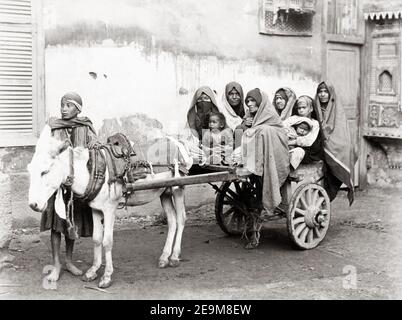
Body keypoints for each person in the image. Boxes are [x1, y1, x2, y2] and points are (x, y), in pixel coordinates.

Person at [40, 92, 100, 282]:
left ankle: (69, 261)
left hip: (78, 186)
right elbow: (44, 154)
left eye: (68, 105)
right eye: (62, 105)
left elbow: (95, 153)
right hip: (58, 186)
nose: (63, 109)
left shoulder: (86, 127)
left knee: (72, 224)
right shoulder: (53, 127)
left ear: (78, 108)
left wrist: (90, 148)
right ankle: (56, 264)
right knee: (57, 227)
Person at [240, 88, 290, 249]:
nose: (249, 104)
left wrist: (253, 129)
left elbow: (275, 133)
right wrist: (243, 125)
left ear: (261, 103)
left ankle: (264, 206)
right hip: (253, 159)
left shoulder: (270, 118)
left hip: (273, 157)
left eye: (253, 101)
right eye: (247, 101)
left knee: (262, 131)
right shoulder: (249, 117)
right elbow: (241, 133)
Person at [315, 81, 356, 205]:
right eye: (320, 92)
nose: (322, 95)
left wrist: (329, 141)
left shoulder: (337, 110)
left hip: (333, 145)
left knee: (344, 150)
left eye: (325, 92)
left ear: (330, 94)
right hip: (317, 145)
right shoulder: (314, 108)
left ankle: (325, 198)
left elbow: (341, 132)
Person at [291, 95, 324, 165]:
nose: (301, 110)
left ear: (311, 108)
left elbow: (309, 141)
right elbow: (284, 126)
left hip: (308, 151)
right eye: (299, 108)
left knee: (298, 152)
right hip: (291, 145)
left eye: (304, 107)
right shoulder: (294, 118)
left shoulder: (315, 123)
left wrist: (293, 142)